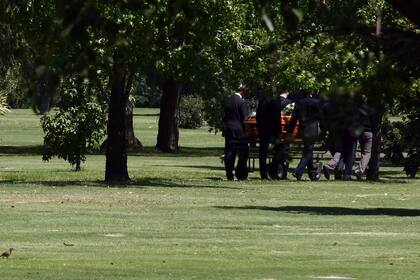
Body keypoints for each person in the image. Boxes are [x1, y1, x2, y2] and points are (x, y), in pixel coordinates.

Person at [287, 92, 323, 180]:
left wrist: (290, 130)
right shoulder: (317, 102)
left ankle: (312, 173)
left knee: (308, 150)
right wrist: (324, 130)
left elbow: (294, 117)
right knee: (308, 151)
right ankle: (298, 171)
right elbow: (321, 118)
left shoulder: (299, 102)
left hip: (303, 129)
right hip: (312, 130)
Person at [256, 89, 292, 179]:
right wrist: (279, 131)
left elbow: (258, 115)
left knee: (263, 152)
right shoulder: (276, 100)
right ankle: (274, 171)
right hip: (273, 130)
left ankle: (263, 174)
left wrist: (259, 127)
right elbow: (277, 117)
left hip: (263, 129)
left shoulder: (262, 100)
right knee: (277, 151)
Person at [222, 84, 250, 180]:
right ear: (242, 91)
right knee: (243, 152)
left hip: (228, 129)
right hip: (239, 131)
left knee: (229, 152)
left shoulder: (227, 101)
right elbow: (245, 119)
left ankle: (229, 173)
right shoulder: (242, 102)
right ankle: (241, 172)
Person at [354, 99, 375, 180]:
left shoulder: (357, 109)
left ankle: (363, 168)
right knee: (367, 153)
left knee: (363, 152)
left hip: (360, 132)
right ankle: (360, 170)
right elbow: (374, 122)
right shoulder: (370, 109)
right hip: (368, 132)